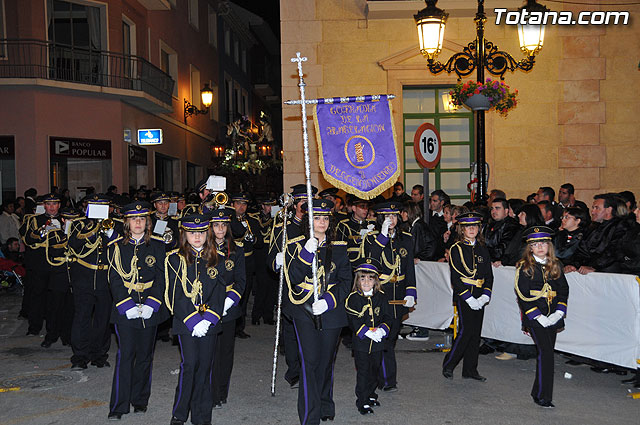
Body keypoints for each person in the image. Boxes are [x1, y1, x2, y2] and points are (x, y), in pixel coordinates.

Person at [284, 199, 351, 424]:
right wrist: (306, 254)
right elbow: (292, 278)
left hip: (330, 311)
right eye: (316, 218)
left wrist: (328, 301)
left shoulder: (340, 248)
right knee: (310, 361)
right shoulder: (295, 246)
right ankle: (309, 416)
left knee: (325, 361)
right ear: (308, 220)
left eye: (325, 218)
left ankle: (324, 403)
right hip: (303, 309)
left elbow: (345, 281)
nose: (321, 222)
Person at [106, 201, 168, 421]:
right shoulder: (116, 246)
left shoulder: (158, 245)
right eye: (134, 219)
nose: (138, 222)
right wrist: (126, 305)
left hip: (150, 307)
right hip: (126, 309)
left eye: (142, 219)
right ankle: (119, 405)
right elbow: (114, 278)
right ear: (127, 222)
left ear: (148, 222)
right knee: (125, 356)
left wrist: (153, 303)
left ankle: (140, 399)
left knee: (144, 357)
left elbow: (162, 277)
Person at [164, 213, 226, 425]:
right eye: (192, 233)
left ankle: (201, 416)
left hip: (209, 322)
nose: (197, 237)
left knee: (205, 367)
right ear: (185, 234)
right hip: (186, 322)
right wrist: (193, 320)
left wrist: (209, 318)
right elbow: (174, 294)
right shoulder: (174, 259)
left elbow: (219, 293)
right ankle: (180, 413)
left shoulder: (217, 258)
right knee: (189, 365)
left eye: (201, 232)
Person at [361, 202, 416, 392]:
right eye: (386, 217)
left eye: (393, 216)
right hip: (381, 293)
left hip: (399, 293)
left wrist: (411, 292)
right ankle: (386, 379)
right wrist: (382, 237)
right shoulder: (371, 239)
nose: (391, 220)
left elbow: (409, 268)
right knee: (381, 338)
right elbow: (370, 261)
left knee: (391, 337)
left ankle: (383, 376)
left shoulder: (406, 238)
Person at [514, 226, 569, 408]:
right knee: (546, 354)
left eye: (543, 244)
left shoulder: (556, 265)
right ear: (530, 247)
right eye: (535, 244)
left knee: (545, 354)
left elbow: (563, 289)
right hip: (535, 318)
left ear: (549, 246)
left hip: (553, 315)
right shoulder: (525, 267)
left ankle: (537, 391)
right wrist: (538, 317)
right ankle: (544, 397)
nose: (540, 247)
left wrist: (559, 312)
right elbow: (522, 294)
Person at [442, 212, 493, 382]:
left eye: (475, 226)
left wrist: (485, 295)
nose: (472, 229)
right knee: (466, 331)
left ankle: (470, 369)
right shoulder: (456, 248)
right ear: (462, 230)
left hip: (479, 294)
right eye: (468, 227)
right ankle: (449, 364)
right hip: (465, 296)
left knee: (476, 333)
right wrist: (468, 298)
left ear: (479, 229)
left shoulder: (482, 249)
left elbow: (489, 275)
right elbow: (456, 277)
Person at [67, 194, 116, 369]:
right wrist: (92, 231)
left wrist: (108, 230)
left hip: (105, 279)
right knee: (82, 318)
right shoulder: (79, 224)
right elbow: (73, 244)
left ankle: (99, 355)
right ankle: (80, 356)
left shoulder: (114, 223)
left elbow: (120, 244)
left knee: (103, 319)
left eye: (104, 206)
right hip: (84, 277)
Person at [344, 258, 391, 416]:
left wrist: (382, 330)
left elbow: (387, 316)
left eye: (370, 279)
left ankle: (371, 394)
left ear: (375, 281)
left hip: (377, 342)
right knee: (363, 371)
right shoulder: (353, 298)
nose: (366, 282)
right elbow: (353, 319)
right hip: (362, 343)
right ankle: (362, 400)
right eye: (362, 278)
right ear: (357, 280)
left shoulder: (381, 297)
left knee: (375, 369)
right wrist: (367, 331)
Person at [210, 207, 246, 409]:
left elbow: (241, 281)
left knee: (225, 352)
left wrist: (229, 301)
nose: (220, 229)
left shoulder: (236, 250)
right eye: (216, 225)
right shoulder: (203, 248)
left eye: (224, 225)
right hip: (206, 307)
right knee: (210, 352)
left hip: (229, 307)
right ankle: (211, 392)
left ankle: (222, 391)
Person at [20, 193, 69, 345]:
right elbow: (28, 239)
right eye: (49, 204)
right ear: (44, 206)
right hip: (41, 265)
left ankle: (59, 333)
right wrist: (44, 230)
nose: (52, 207)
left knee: (59, 301)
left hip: (60, 265)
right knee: (38, 297)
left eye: (55, 204)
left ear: (59, 205)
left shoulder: (67, 219)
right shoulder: (35, 220)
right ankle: (35, 327)